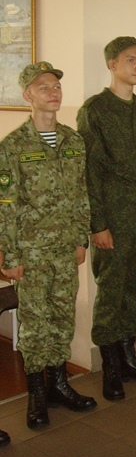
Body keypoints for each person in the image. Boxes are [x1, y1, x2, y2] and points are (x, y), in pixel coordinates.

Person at [0, 62, 97, 428]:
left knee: (62, 317)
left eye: (56, 85)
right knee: (35, 323)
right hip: (31, 253)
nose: (53, 91)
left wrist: (79, 239)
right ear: (28, 95)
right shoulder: (13, 146)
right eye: (43, 87)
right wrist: (9, 255)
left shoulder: (74, 141)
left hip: (65, 250)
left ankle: (59, 384)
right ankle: (36, 395)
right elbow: (4, 205)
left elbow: (81, 195)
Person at [77, 37, 136, 401]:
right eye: (131, 60)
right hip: (113, 219)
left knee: (133, 287)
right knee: (111, 292)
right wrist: (97, 224)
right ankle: (110, 366)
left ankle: (129, 357)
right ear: (112, 65)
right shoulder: (95, 109)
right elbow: (90, 171)